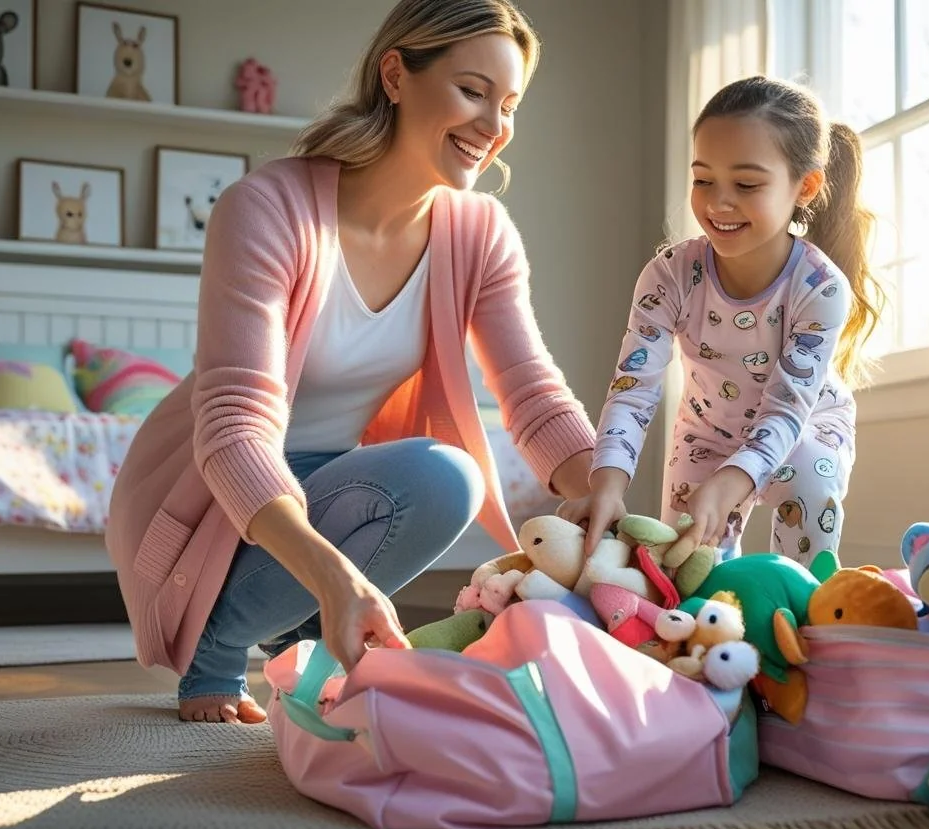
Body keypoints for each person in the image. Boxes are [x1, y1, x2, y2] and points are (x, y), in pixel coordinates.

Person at [105, 0, 597, 724]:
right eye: (471, 91)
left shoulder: (480, 232)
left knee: (445, 476)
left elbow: (531, 390)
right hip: (218, 485)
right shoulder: (267, 208)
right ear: (395, 75)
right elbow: (235, 428)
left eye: (509, 103)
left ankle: (309, 640)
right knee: (420, 478)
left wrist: (605, 498)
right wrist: (336, 576)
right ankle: (219, 637)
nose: (494, 128)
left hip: (339, 480)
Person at [559, 75, 887, 569]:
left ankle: (802, 612)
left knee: (810, 482)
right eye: (703, 179)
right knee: (686, 569)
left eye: (747, 184)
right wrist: (606, 483)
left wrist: (733, 482)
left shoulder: (821, 287)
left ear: (807, 186)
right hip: (706, 432)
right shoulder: (669, 274)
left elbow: (786, 410)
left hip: (802, 430)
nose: (718, 203)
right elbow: (634, 389)